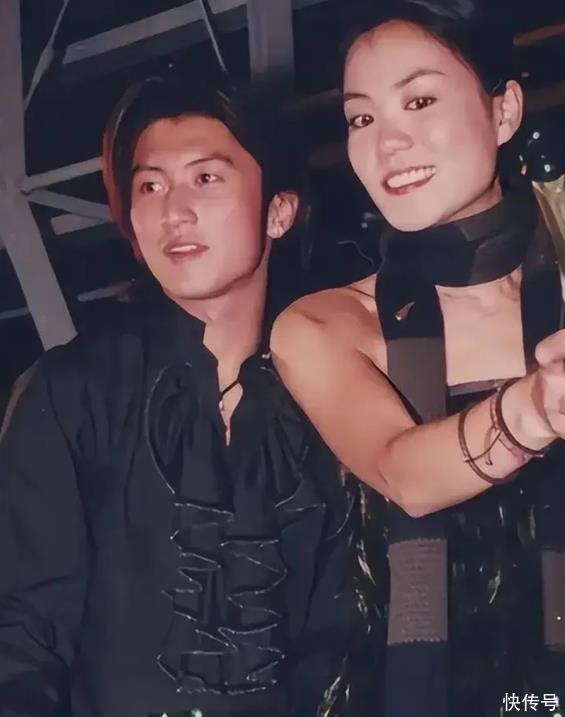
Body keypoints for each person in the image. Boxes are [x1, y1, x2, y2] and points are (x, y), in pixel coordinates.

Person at [270, 1, 565, 715]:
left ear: (504, 112)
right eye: (361, 117)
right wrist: (532, 411)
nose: (387, 142)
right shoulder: (324, 325)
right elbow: (403, 473)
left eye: (419, 101)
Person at [0, 75, 385, 717]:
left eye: (206, 178)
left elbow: (347, 639)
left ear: (279, 212)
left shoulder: (333, 398)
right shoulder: (75, 389)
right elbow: (20, 635)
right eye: (150, 187)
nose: (172, 211)